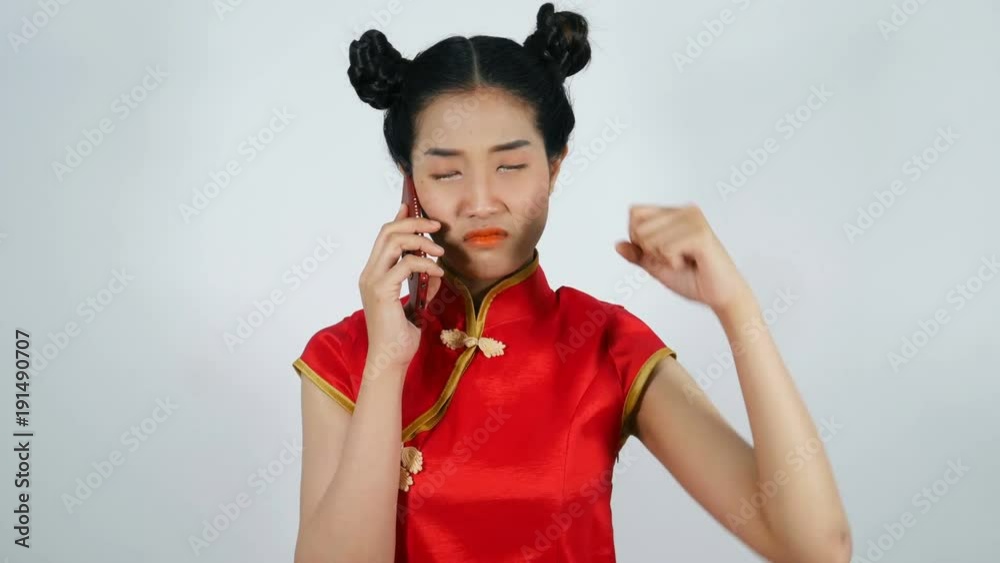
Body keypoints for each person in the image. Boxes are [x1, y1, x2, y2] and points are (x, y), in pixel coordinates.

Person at [291, 3, 851, 562]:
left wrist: (738, 307)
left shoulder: (605, 343)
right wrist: (387, 364)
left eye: (510, 166)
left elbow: (815, 547)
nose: (481, 201)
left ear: (554, 166)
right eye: (446, 173)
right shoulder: (345, 355)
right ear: (409, 182)